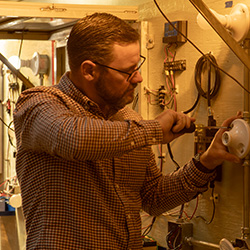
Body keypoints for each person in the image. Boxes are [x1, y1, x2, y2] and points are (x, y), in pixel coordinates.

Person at [13, 12, 241, 250]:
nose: (139, 78)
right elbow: (74, 138)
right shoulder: (37, 105)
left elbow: (154, 197)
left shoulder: (128, 120)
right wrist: (154, 130)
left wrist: (206, 162)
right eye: (128, 71)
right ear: (89, 70)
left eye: (138, 66)